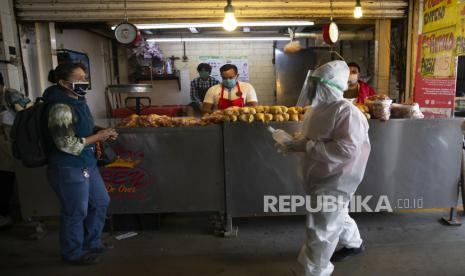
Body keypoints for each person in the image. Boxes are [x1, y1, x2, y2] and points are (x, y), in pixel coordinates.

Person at [276, 60, 371, 276]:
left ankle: (316, 271)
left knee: (321, 229)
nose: (311, 88)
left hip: (337, 178)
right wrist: (294, 142)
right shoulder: (316, 110)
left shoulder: (347, 112)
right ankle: (354, 243)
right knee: (337, 214)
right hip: (320, 174)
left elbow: (347, 150)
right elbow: (312, 138)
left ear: (329, 85)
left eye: (316, 84)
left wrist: (306, 146)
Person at [44, 63, 118, 265]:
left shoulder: (78, 100)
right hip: (68, 166)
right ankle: (72, 252)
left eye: (85, 77)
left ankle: (91, 241)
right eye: (79, 78)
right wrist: (98, 137)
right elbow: (66, 144)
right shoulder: (59, 107)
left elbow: (82, 127)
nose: (84, 82)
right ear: (62, 82)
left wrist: (100, 131)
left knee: (101, 201)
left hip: (87, 162)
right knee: (75, 211)